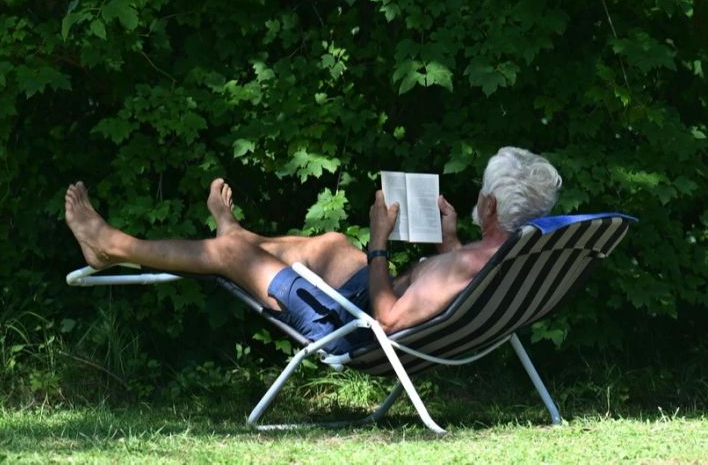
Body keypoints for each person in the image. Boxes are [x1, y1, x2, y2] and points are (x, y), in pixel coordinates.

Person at [65, 147, 562, 353]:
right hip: (363, 300)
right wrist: (448, 239)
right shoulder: (507, 257)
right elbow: (452, 288)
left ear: (491, 205)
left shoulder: (478, 262)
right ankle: (234, 232)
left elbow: (387, 319)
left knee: (231, 258)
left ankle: (110, 244)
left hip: (352, 328)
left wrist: (382, 241)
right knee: (331, 243)